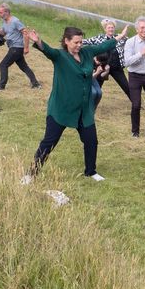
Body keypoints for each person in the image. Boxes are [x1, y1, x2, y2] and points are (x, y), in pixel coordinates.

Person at [23, 24, 128, 183]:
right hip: (61, 108)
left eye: (81, 42)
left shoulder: (86, 52)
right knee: (49, 142)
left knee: (91, 140)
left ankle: (90, 171)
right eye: (76, 42)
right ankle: (31, 174)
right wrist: (38, 41)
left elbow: (102, 46)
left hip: (84, 109)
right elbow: (49, 51)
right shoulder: (60, 56)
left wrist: (119, 38)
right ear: (66, 41)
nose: (79, 45)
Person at [0, 3, 41, 91]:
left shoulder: (15, 21)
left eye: (0, 12)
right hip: (13, 47)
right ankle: (36, 84)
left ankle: (1, 86)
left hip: (17, 47)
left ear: (7, 12)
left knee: (3, 64)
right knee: (24, 66)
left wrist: (26, 48)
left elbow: (25, 33)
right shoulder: (4, 22)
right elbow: (4, 32)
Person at [83, 19, 132, 102]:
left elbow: (131, 41)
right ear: (105, 29)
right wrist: (72, 42)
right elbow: (87, 41)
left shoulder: (120, 38)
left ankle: (136, 103)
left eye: (112, 27)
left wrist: (124, 34)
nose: (111, 29)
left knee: (126, 86)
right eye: (109, 28)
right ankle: (89, 103)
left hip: (116, 67)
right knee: (97, 87)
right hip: (102, 67)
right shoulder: (99, 38)